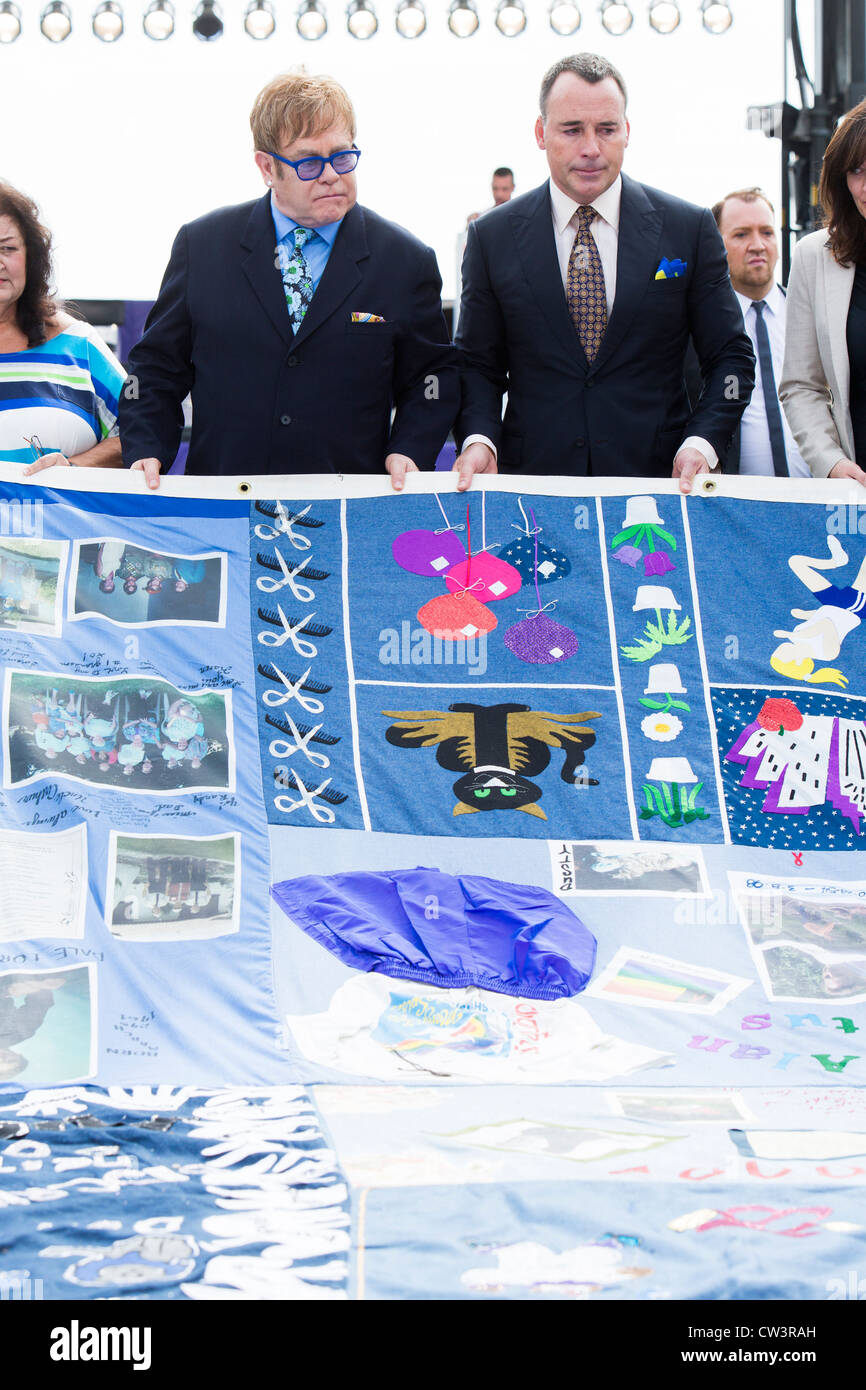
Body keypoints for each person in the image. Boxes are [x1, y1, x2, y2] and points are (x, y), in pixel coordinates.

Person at [119, 72, 459, 492]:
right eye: (310, 161)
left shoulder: (406, 261)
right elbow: (154, 369)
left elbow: (432, 378)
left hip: (349, 508)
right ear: (267, 167)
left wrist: (412, 448)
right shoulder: (202, 246)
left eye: (342, 156)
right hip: (224, 505)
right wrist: (145, 449)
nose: (332, 174)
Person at [455, 53, 754, 492]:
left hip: (660, 487)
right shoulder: (491, 237)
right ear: (541, 133)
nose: (591, 148)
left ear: (627, 132)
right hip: (533, 488)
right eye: (572, 130)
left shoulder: (687, 229)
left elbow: (730, 356)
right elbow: (477, 365)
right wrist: (480, 438)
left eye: (606, 130)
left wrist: (703, 440)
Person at [0, 183, 125, 476]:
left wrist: (73, 467)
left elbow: (142, 434)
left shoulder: (77, 343)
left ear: (31, 257)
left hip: (59, 521)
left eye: (8, 248)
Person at [779, 97, 866, 487]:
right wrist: (829, 460)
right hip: (856, 495)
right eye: (856, 171)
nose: (864, 186)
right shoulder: (814, 256)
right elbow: (801, 385)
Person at [708, 188, 808, 477]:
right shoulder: (701, 329)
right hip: (734, 506)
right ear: (717, 244)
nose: (757, 245)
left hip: (821, 501)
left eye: (766, 232)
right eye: (741, 235)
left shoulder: (811, 316)